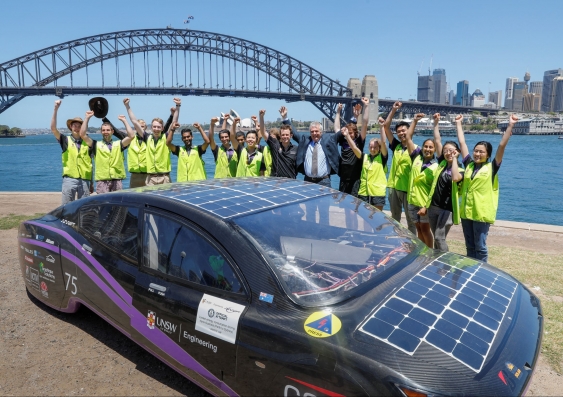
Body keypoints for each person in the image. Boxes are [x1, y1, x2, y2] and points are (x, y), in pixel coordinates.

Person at [457, 114, 517, 261]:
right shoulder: (469, 165)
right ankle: (470, 269)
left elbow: (501, 146)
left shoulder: (492, 168)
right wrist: (458, 123)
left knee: (480, 246)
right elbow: (462, 143)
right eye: (476, 151)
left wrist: (510, 125)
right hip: (466, 212)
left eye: (481, 151)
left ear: (488, 154)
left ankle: (481, 272)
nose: (477, 154)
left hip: (481, 213)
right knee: (470, 246)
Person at [419, 133, 464, 252]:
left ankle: (445, 261)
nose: (448, 153)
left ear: (457, 151)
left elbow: (455, 178)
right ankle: (436, 259)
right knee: (436, 237)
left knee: (440, 238)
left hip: (447, 210)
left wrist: (454, 158)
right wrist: (435, 123)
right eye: (445, 151)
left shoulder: (461, 170)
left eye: (451, 150)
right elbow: (437, 141)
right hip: (433, 207)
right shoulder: (442, 164)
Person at [406, 113, 441, 247]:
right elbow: (408, 138)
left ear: (434, 149)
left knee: (425, 229)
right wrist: (414, 120)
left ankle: (429, 252)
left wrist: (426, 206)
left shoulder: (436, 165)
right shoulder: (416, 157)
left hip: (424, 203)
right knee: (418, 228)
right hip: (412, 200)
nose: (427, 149)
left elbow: (434, 189)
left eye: (430, 147)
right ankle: (422, 251)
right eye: (425, 146)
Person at [127, 98, 180, 185]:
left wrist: (178, 106)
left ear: (162, 128)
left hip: (164, 177)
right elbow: (134, 122)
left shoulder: (165, 137)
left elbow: (174, 121)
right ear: (151, 127)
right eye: (154, 127)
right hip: (151, 178)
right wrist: (127, 106)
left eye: (158, 127)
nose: (156, 129)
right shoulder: (147, 138)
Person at [79, 111, 135, 193]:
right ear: (101, 132)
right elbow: (83, 135)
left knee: (117, 204)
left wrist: (124, 121)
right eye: (103, 130)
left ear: (112, 132)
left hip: (117, 180)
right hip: (102, 181)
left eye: (108, 130)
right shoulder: (96, 144)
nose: (106, 132)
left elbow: (131, 136)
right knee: (103, 205)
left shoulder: (119, 144)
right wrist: (87, 118)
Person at [382, 101, 416, 234]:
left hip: (408, 189)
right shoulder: (396, 146)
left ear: (409, 131)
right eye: (399, 132)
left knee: (410, 219)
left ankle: (412, 243)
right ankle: (396, 240)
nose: (401, 133)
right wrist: (394, 110)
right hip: (394, 187)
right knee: (395, 217)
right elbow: (386, 127)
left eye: (404, 131)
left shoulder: (415, 150)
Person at [50, 100, 93, 204]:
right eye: (75, 126)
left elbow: (91, 163)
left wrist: (91, 182)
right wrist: (55, 109)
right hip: (70, 179)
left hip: (85, 179)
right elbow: (53, 128)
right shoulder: (65, 140)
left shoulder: (88, 142)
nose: (77, 128)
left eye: (79, 126)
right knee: (67, 207)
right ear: (71, 127)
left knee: (84, 206)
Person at [348, 117, 388, 211]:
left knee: (377, 217)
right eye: (371, 147)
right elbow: (354, 147)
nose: (373, 149)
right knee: (365, 217)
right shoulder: (365, 157)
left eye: (375, 147)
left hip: (377, 192)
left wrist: (381, 127)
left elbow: (383, 142)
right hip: (364, 192)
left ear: (379, 148)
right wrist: (347, 135)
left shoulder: (382, 158)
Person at [334, 97, 370, 196]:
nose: (349, 135)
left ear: (355, 133)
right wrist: (338, 111)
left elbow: (365, 124)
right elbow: (336, 128)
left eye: (351, 133)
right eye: (347, 133)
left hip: (355, 179)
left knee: (353, 207)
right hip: (343, 179)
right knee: (345, 206)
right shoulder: (343, 141)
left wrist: (366, 106)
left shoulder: (359, 142)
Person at [260, 106, 298, 179]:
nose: (285, 136)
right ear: (280, 136)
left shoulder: (296, 149)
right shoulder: (275, 145)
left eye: (287, 135)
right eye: (283, 135)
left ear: (291, 136)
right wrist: (261, 117)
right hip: (276, 181)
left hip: (291, 182)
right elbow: (263, 132)